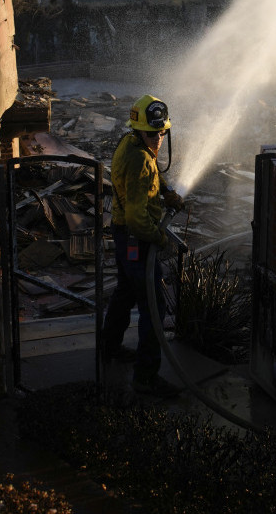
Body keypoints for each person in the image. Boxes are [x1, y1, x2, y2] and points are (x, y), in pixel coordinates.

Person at [102, 94, 185, 397]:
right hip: (136, 237)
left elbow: (153, 172)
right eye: (154, 133)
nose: (159, 138)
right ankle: (145, 378)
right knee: (154, 305)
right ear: (140, 130)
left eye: (162, 132)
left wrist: (168, 192)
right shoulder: (139, 160)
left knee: (125, 293)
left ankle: (108, 348)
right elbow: (139, 220)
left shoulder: (132, 144)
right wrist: (161, 239)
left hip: (124, 235)